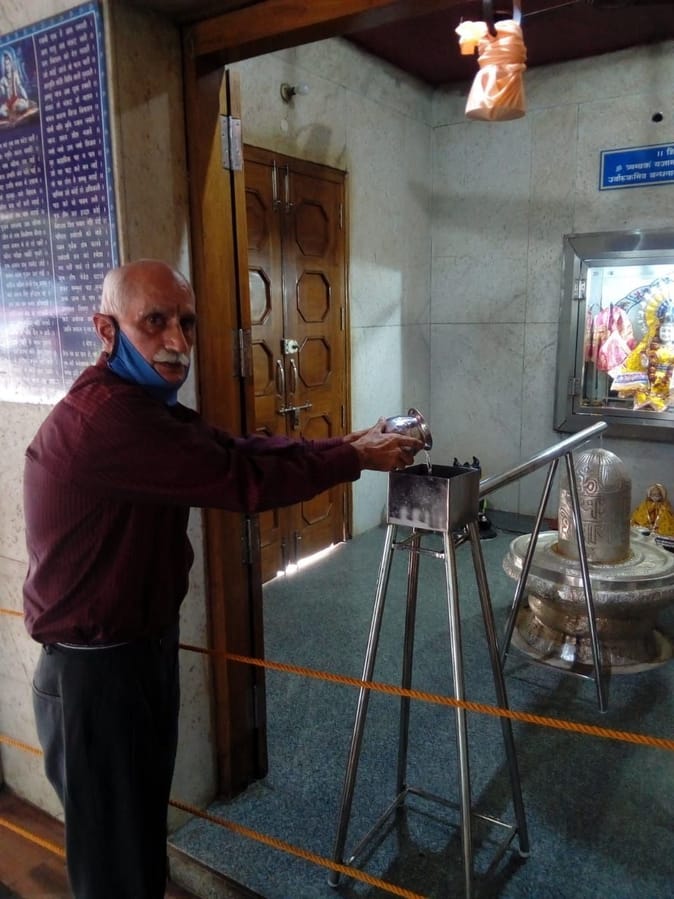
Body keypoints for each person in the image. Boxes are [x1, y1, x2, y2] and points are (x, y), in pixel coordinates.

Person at [22, 259, 422, 899]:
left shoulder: (142, 406)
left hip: (133, 658)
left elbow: (233, 451)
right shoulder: (109, 421)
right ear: (106, 330)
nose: (176, 342)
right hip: (95, 678)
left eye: (185, 322)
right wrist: (353, 457)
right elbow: (241, 479)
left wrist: (348, 444)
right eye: (154, 322)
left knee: (136, 845)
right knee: (113, 867)